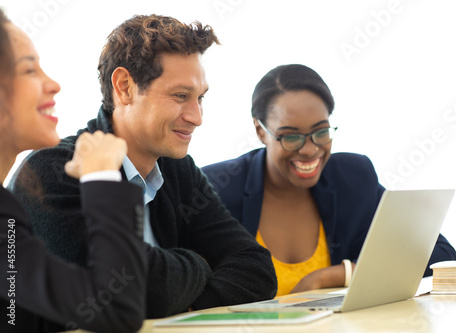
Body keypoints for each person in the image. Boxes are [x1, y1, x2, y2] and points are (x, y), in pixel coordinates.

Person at [8, 13, 277, 330]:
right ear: (124, 87)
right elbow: (124, 291)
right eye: (180, 96)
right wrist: (199, 263)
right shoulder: (55, 171)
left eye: (200, 98)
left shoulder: (175, 166)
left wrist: (184, 299)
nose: (197, 117)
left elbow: (256, 268)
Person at [201, 64, 456, 296]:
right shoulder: (217, 187)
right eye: (291, 136)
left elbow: (440, 258)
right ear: (261, 131)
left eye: (321, 132)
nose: (310, 149)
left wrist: (333, 275)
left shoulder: (352, 178)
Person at [0, 9, 147, 333]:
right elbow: (116, 308)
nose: (53, 84)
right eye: (29, 70)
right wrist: (102, 175)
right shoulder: (48, 172)